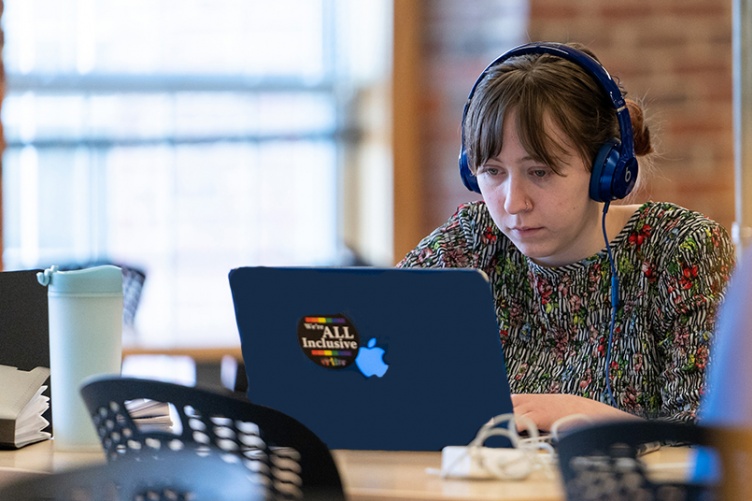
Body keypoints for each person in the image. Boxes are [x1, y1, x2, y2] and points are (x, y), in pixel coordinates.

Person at [398, 41, 736, 431]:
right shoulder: (471, 242)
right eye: (493, 172)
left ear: (605, 170)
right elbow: (380, 345)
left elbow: (716, 443)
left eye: (539, 172)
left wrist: (590, 419)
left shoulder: (682, 250)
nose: (513, 203)